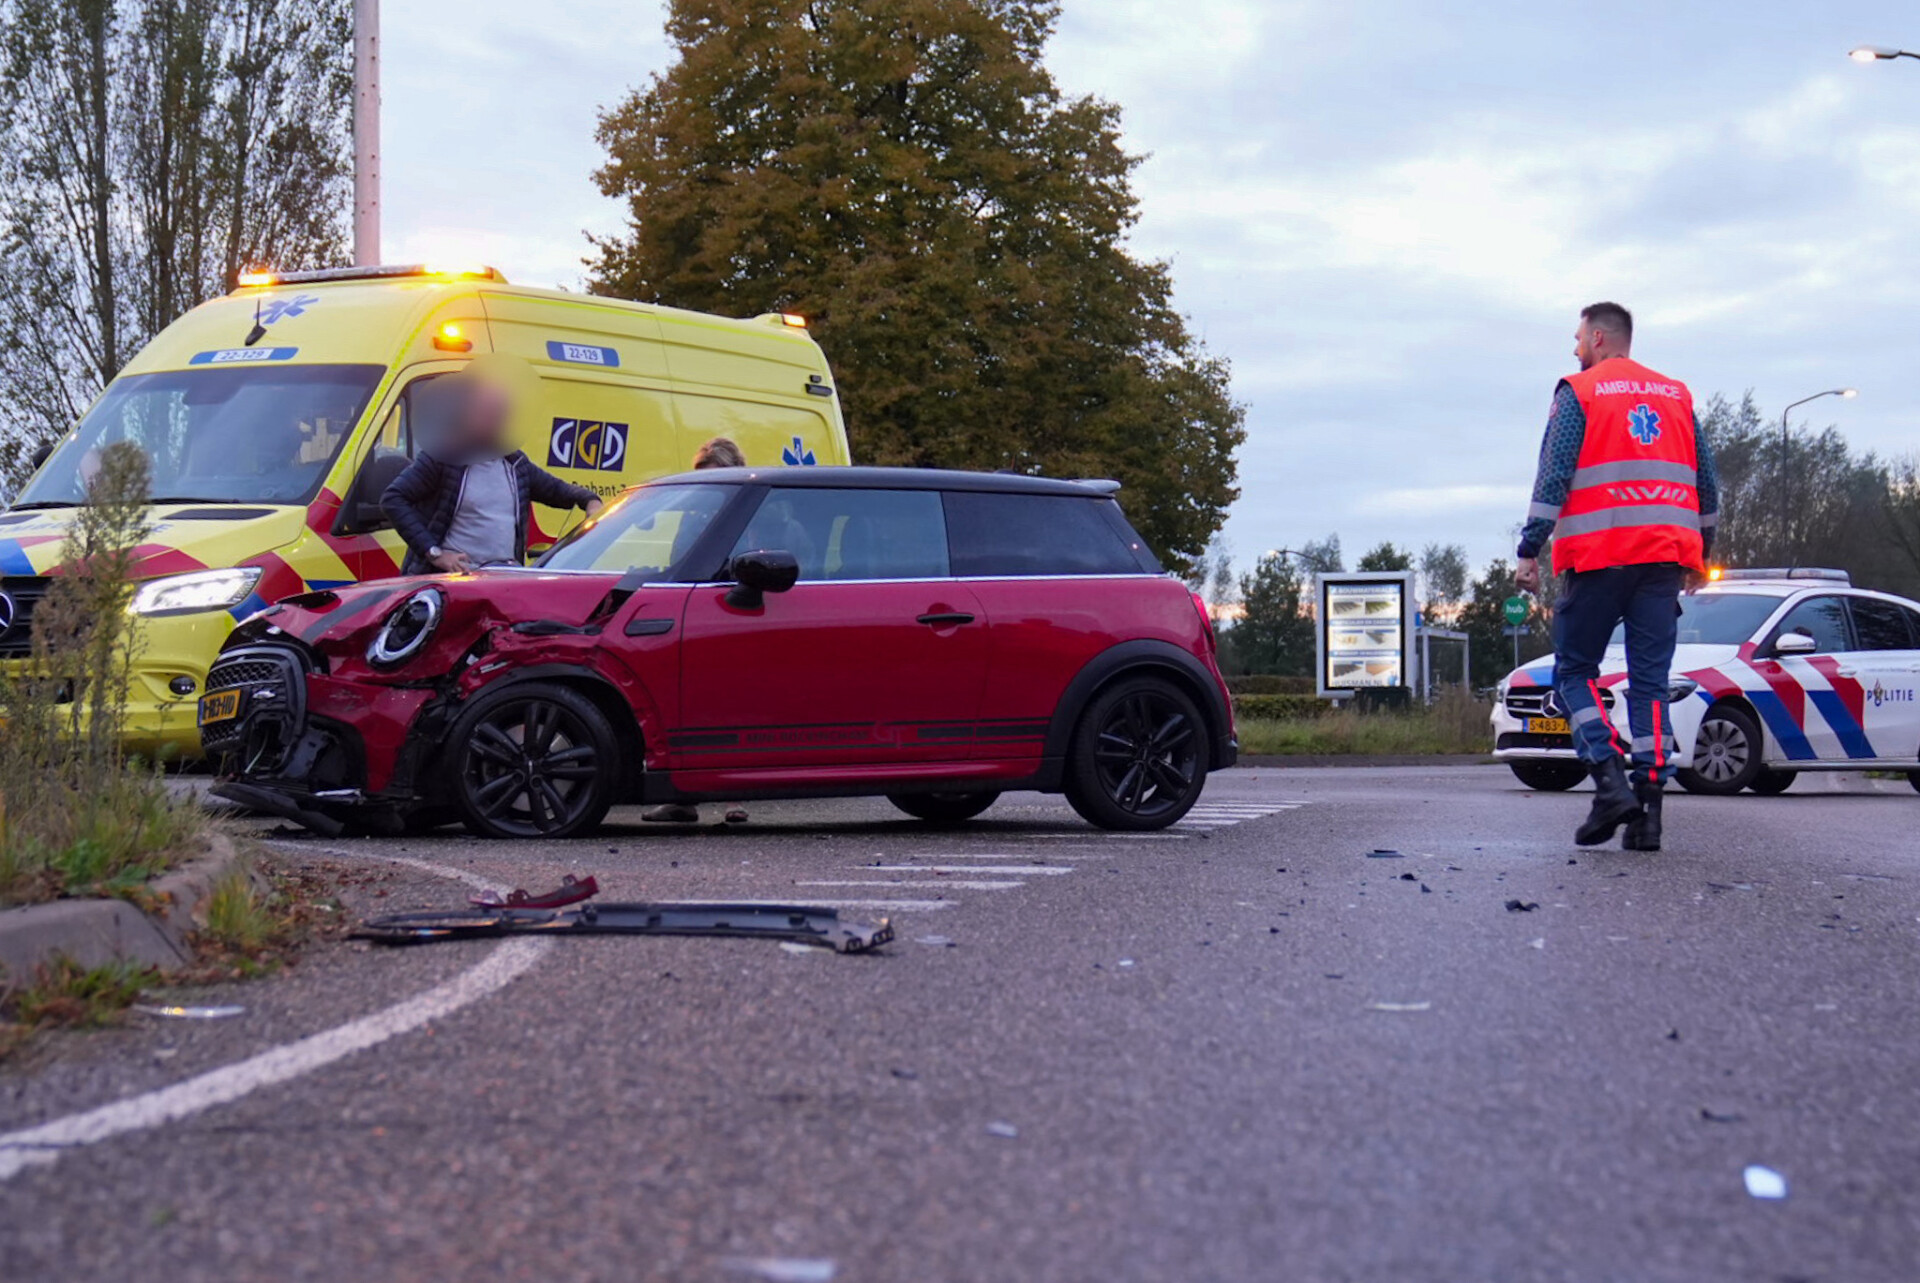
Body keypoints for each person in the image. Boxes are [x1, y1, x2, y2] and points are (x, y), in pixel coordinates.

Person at [1515, 302, 1720, 852]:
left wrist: (1529, 547)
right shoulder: (1676, 394)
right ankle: (1647, 813)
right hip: (1662, 564)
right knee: (1650, 685)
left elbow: (1554, 474)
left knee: (1575, 672)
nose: (1574, 348)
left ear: (1600, 338)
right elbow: (1707, 485)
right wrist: (1702, 553)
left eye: (1579, 338)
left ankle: (1607, 777)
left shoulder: (1577, 392)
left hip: (1600, 557)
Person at [382, 374, 602, 575]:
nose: (497, 421)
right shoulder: (443, 457)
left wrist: (589, 500)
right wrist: (435, 553)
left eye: (502, 414)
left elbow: (557, 490)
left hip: (501, 583)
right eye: (488, 413)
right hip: (451, 585)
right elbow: (393, 499)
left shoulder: (515, 462)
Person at [644, 436, 751, 826]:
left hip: (737, 617)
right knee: (685, 707)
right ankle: (681, 799)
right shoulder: (693, 516)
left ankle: (734, 799)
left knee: (732, 708)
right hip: (699, 619)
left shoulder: (752, 512)